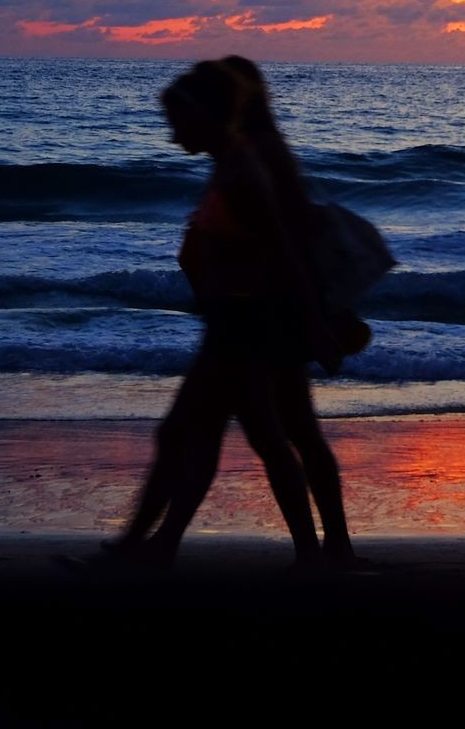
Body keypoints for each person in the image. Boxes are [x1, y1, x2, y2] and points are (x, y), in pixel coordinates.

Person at [105, 59, 354, 568]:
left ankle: (145, 548)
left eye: (178, 123)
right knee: (245, 436)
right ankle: (160, 547)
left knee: (219, 435)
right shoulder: (234, 162)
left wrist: (312, 324)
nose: (172, 138)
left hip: (246, 326)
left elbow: (286, 251)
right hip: (238, 323)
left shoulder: (251, 167)